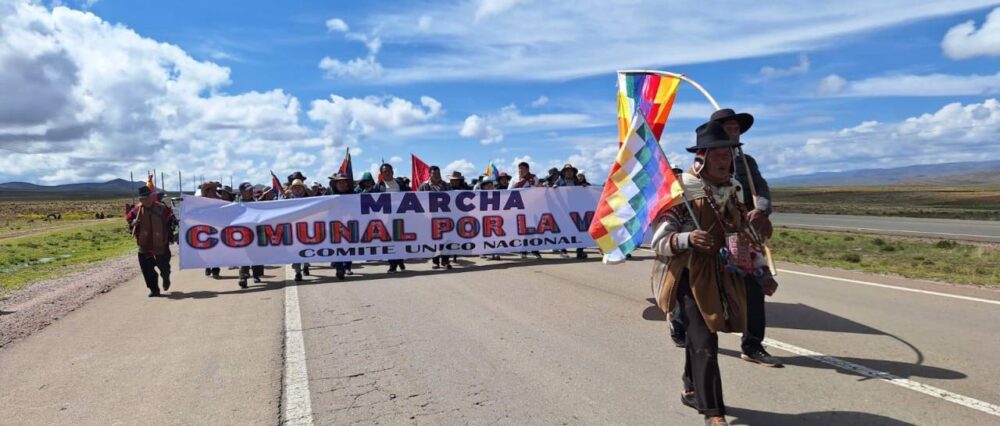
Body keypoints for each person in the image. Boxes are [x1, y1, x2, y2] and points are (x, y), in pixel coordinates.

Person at [650, 120, 753, 426]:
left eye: (730, 153)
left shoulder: (734, 190)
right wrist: (687, 239)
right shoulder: (681, 191)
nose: (726, 160)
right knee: (706, 340)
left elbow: (740, 230)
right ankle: (713, 412)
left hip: (724, 272)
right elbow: (659, 242)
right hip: (690, 275)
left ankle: (691, 385)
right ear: (703, 156)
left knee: (701, 335)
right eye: (719, 154)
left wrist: (758, 257)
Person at [709, 108, 780, 368]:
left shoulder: (746, 162)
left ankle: (753, 345)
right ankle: (683, 325)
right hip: (711, 233)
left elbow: (760, 188)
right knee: (701, 286)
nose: (734, 128)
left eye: (737, 125)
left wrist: (761, 208)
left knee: (754, 287)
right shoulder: (702, 161)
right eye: (728, 125)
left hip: (742, 237)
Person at [126, 186, 177, 297]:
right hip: (145, 244)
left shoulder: (162, 208)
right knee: (147, 269)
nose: (146, 200)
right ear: (140, 199)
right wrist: (132, 223)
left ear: (152, 197)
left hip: (161, 243)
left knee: (164, 266)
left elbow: (172, 218)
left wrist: (174, 222)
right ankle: (154, 289)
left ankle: (166, 277)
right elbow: (129, 221)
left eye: (148, 197)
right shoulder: (136, 211)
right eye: (143, 198)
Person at [375, 163, 409, 273]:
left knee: (400, 240)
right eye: (385, 171)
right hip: (386, 219)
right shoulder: (378, 186)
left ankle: (400, 260)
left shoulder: (400, 184)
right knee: (389, 242)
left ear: (393, 172)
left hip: (400, 217)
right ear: (381, 174)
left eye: (389, 170)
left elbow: (409, 196)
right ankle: (393, 264)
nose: (387, 173)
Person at [418, 166, 454, 270]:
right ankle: (435, 261)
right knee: (434, 240)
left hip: (445, 217)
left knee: (446, 240)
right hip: (430, 218)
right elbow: (418, 201)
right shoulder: (423, 187)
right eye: (434, 173)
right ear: (430, 174)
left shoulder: (447, 186)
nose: (437, 175)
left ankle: (446, 261)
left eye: (438, 173)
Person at [553, 164, 587, 259]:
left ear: (573, 172)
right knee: (563, 230)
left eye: (570, 171)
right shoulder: (559, 181)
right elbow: (552, 191)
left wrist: (584, 186)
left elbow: (586, 191)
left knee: (579, 230)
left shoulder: (577, 182)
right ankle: (563, 250)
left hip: (576, 210)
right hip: (563, 210)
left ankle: (580, 251)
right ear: (563, 172)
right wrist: (554, 187)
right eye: (566, 170)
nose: (568, 172)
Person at [328, 172, 356, 279]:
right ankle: (339, 267)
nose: (342, 184)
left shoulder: (354, 196)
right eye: (339, 182)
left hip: (351, 225)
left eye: (344, 182)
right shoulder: (329, 195)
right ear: (335, 184)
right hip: (334, 226)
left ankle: (347, 266)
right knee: (336, 247)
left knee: (349, 247)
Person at [237, 182, 264, 288]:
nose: (250, 192)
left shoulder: (257, 203)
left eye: (251, 190)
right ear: (242, 192)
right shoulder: (236, 205)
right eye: (247, 190)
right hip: (242, 233)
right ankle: (243, 276)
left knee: (257, 254)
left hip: (257, 232)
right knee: (244, 255)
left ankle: (256, 275)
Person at [286, 179, 311, 281]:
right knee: (295, 251)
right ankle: (297, 272)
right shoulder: (287, 200)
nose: (297, 189)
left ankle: (305, 265)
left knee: (306, 249)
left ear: (303, 189)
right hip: (293, 229)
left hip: (307, 227)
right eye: (295, 187)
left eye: (299, 187)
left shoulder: (309, 199)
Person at [199, 181, 222, 278]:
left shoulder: (219, 201)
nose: (213, 192)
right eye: (211, 190)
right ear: (206, 192)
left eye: (214, 189)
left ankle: (215, 270)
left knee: (216, 250)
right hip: (204, 230)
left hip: (216, 229)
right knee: (207, 251)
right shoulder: (200, 202)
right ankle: (208, 266)